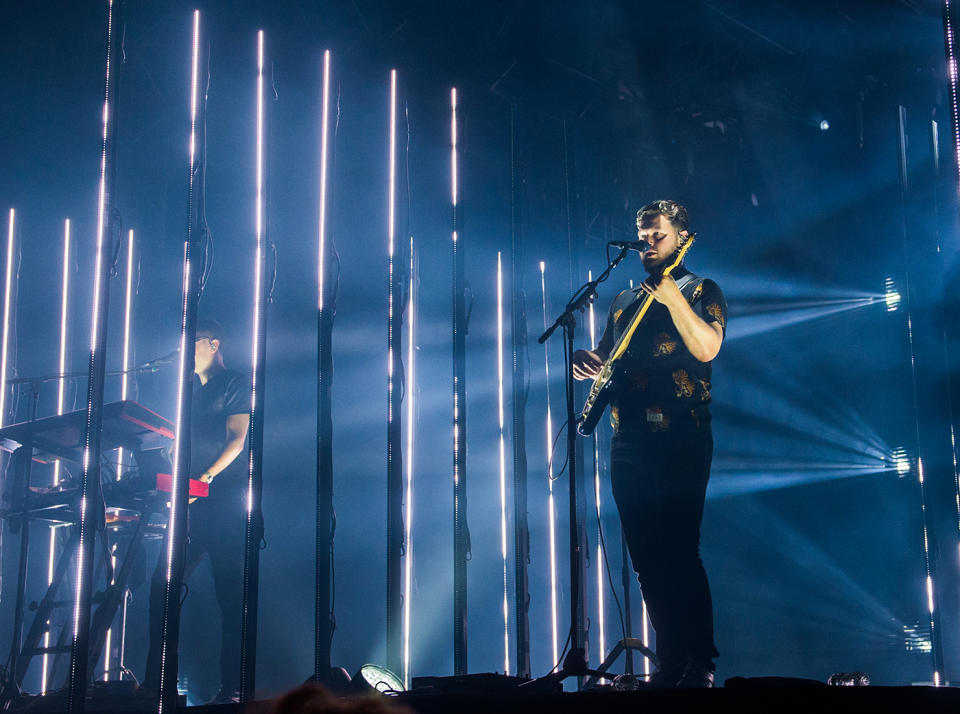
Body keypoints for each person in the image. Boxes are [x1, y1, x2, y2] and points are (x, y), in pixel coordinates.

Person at [573, 199, 727, 688]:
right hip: (629, 440)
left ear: (682, 237)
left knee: (681, 550)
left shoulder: (702, 289)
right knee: (645, 556)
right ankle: (672, 659)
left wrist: (673, 300)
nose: (648, 245)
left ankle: (699, 661)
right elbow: (610, 353)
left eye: (657, 235)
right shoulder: (623, 300)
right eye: (643, 236)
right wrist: (590, 359)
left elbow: (707, 347)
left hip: (682, 435)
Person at [145, 318, 251, 704]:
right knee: (162, 589)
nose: (184, 353)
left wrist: (203, 479)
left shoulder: (236, 382)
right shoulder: (189, 395)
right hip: (189, 506)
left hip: (223, 505)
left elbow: (238, 439)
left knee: (230, 597)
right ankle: (161, 687)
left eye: (192, 343)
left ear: (213, 344)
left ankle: (235, 690)